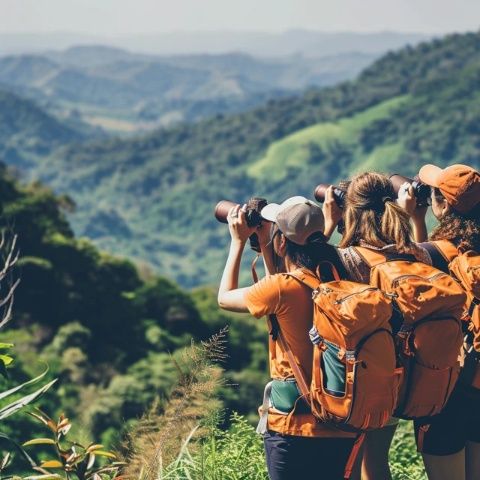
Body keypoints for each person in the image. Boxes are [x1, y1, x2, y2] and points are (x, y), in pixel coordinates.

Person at [217, 197, 356, 480]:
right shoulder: (345, 275)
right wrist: (268, 244)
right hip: (343, 419)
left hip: (294, 425)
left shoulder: (282, 289)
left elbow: (224, 298)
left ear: (283, 243)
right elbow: (282, 287)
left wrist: (238, 242)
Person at [322, 171, 432, 480]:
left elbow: (309, 284)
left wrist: (328, 224)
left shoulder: (345, 259)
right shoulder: (415, 253)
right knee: (376, 463)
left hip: (358, 380)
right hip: (401, 376)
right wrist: (415, 220)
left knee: (351, 467)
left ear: (351, 212)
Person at [407, 163, 480, 480]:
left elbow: (412, 288)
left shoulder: (434, 252)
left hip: (446, 386)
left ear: (444, 205)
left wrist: (413, 218)